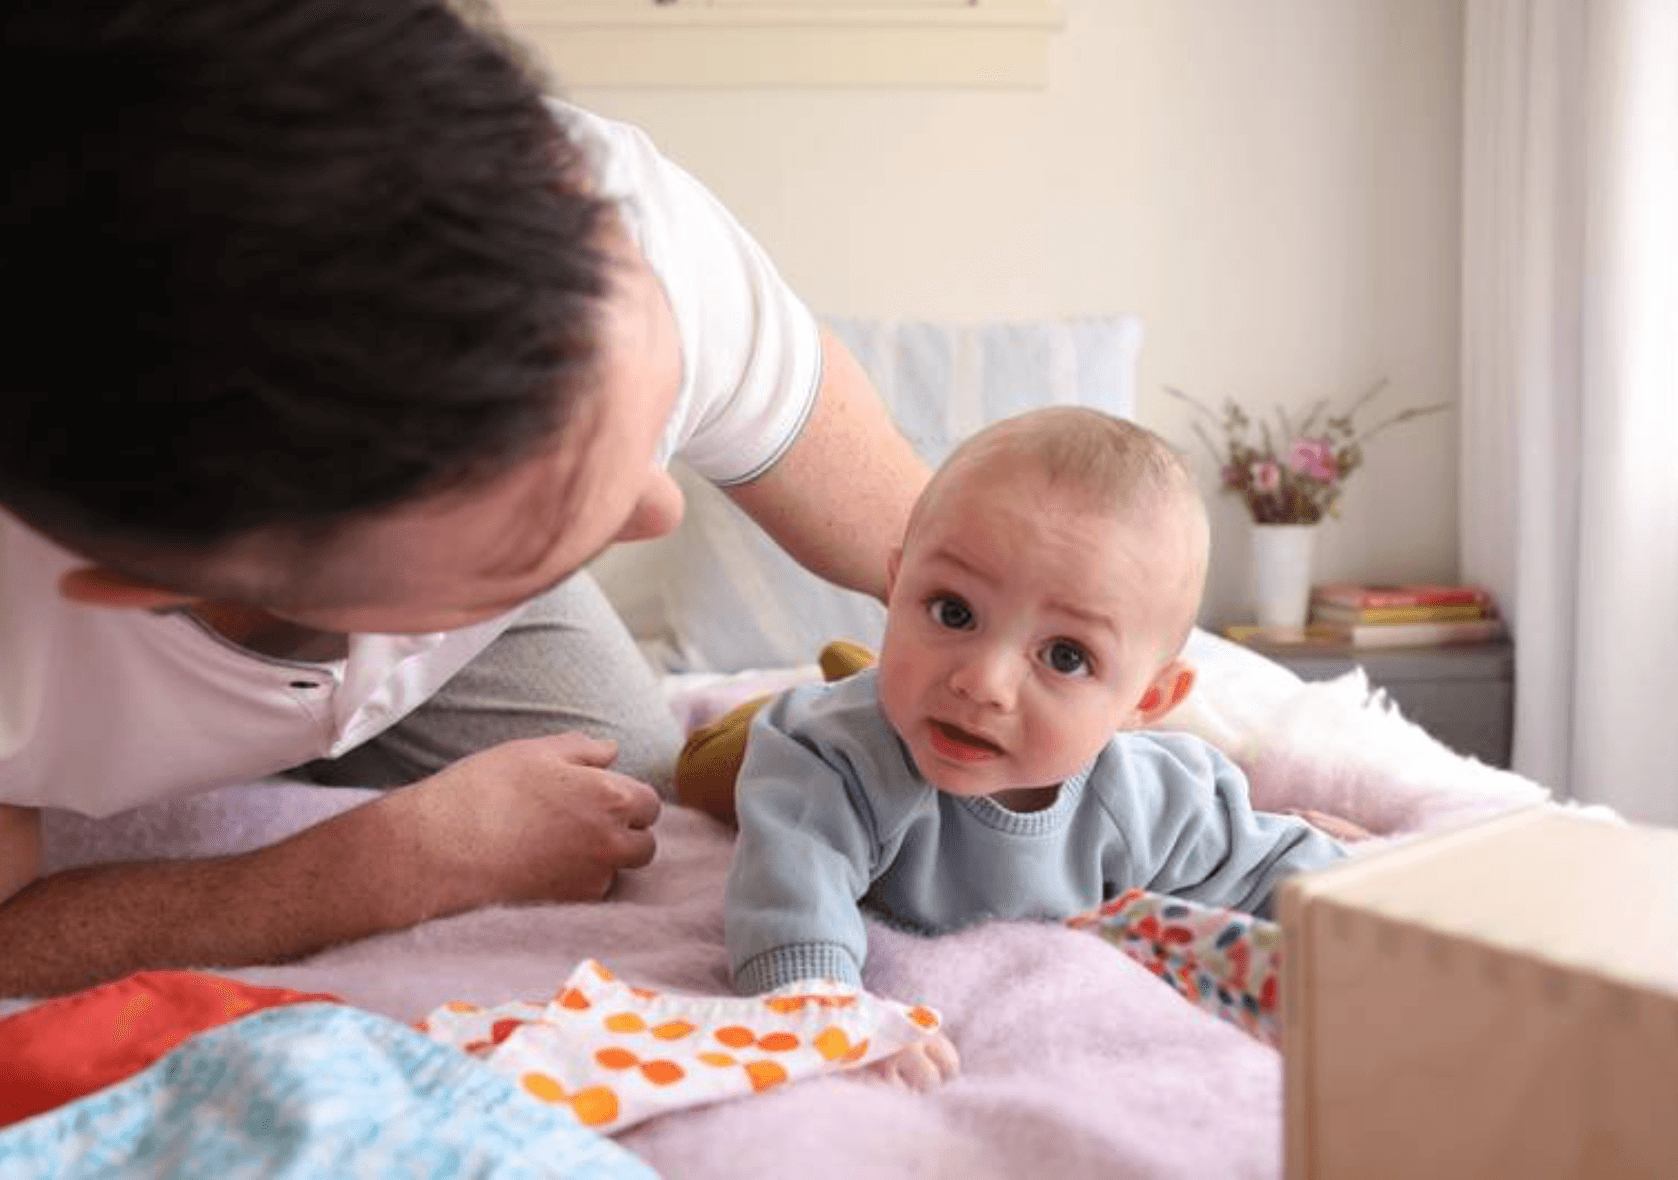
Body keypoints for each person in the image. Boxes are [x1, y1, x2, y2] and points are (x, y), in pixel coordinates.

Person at [0, 0, 928, 998]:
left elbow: (960, 554)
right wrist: (380, 866)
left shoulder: (619, 226)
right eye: (542, 523)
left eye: (645, 415)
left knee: (640, 798)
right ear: (150, 575)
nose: (659, 508)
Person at [723, 407, 1347, 1091]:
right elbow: (789, 897)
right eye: (953, 612)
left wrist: (1366, 895)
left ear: (1147, 702)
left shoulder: (1155, 800)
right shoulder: (829, 757)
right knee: (724, 765)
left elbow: (1292, 881)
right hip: (830, 724)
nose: (983, 683)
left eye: (1065, 655)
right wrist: (827, 1013)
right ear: (897, 587)